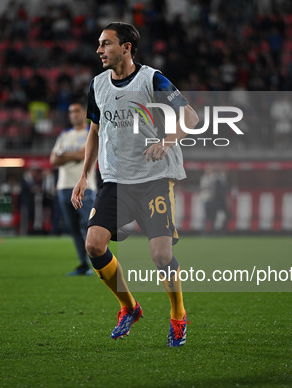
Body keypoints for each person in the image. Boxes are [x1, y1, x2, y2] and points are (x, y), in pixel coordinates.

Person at [71, 22, 199, 347]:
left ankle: (178, 315)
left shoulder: (152, 79)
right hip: (116, 179)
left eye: (106, 44)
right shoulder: (97, 85)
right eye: (99, 44)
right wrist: (83, 175)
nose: (99, 50)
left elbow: (191, 117)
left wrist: (167, 142)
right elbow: (94, 132)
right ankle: (129, 307)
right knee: (93, 245)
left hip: (154, 179)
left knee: (160, 256)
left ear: (126, 47)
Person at [50, 101, 97, 276]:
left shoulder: (90, 132)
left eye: (77, 111)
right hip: (63, 187)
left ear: (83, 112)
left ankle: (101, 263)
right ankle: (84, 265)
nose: (73, 114)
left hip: (85, 187)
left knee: (90, 226)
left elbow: (82, 155)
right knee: (74, 230)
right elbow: (53, 160)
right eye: (71, 111)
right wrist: (74, 156)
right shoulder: (64, 135)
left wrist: (64, 155)